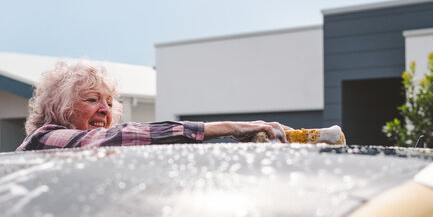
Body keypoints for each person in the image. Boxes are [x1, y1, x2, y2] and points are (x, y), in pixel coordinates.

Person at [16, 60, 291, 151]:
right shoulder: (44, 139)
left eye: (110, 103)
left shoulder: (92, 156)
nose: (105, 110)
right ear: (60, 108)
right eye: (92, 100)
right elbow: (121, 136)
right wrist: (230, 128)